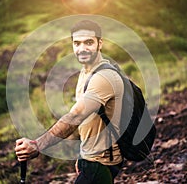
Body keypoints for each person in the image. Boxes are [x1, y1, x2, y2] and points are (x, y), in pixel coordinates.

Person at [15, 20, 125, 183]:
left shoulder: (104, 77)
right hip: (91, 159)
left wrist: (37, 145)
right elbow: (89, 120)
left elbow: (76, 116)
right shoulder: (86, 72)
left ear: (100, 43)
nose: (82, 49)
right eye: (77, 43)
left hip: (100, 163)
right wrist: (82, 155)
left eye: (89, 42)